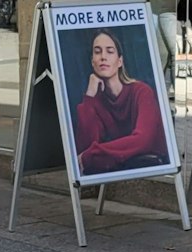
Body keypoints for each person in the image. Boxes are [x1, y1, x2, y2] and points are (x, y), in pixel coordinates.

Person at [72, 30, 168, 175]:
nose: (103, 57)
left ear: (120, 61)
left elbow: (143, 140)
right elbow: (84, 151)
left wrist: (93, 155)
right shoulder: (96, 101)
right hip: (121, 168)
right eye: (97, 52)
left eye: (110, 51)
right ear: (93, 62)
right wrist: (89, 97)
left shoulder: (141, 92)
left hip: (154, 169)